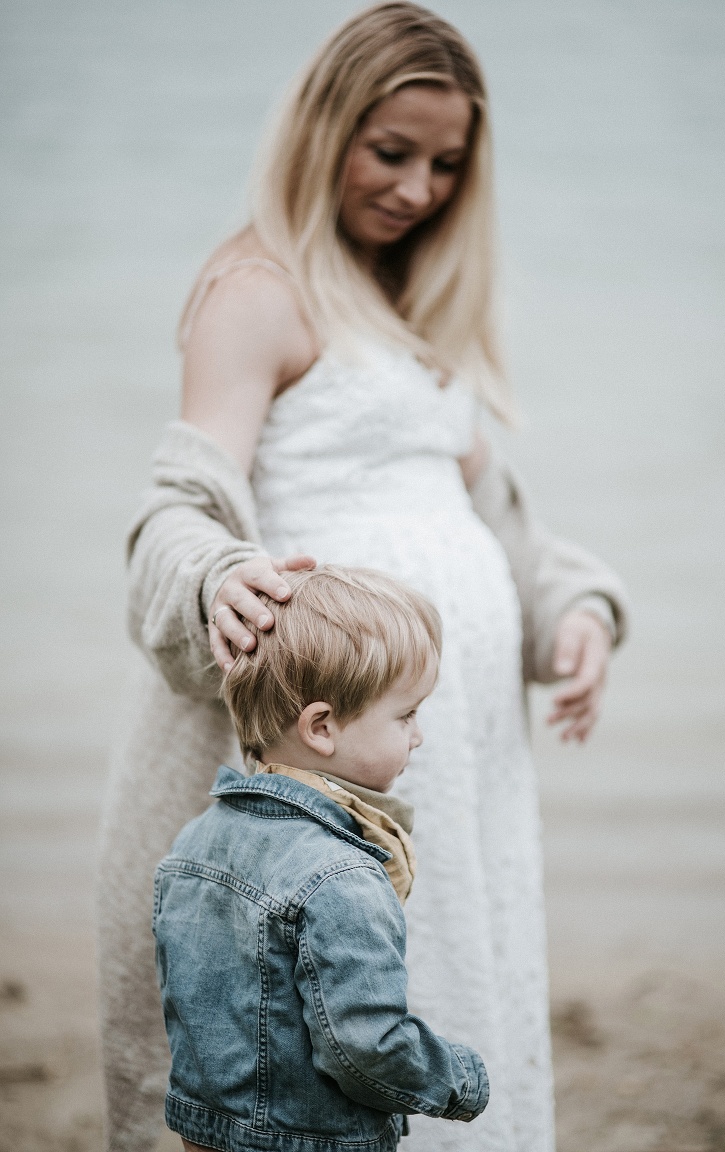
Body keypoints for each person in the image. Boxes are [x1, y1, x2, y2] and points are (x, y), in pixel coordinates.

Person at [99, 5, 629, 1151]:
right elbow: (178, 508)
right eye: (391, 152)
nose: (420, 189)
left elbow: (499, 523)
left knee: (448, 967)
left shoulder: (412, 308)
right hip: (330, 750)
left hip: (451, 761)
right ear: (321, 127)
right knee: (331, 1017)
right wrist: (213, 581)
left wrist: (570, 608)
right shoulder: (258, 288)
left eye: (447, 164)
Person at [154, 564, 489, 1152]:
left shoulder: (192, 844)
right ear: (323, 727)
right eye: (407, 714)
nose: (418, 737)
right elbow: (365, 1045)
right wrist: (461, 1081)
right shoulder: (342, 875)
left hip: (204, 1134)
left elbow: (189, 1010)